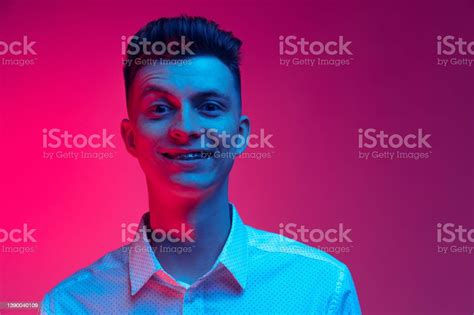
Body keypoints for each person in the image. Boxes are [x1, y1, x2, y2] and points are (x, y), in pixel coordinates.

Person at [41, 16, 361, 314]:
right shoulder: (71, 305)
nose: (186, 128)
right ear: (130, 137)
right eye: (160, 108)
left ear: (239, 135)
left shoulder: (320, 289)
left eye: (209, 107)